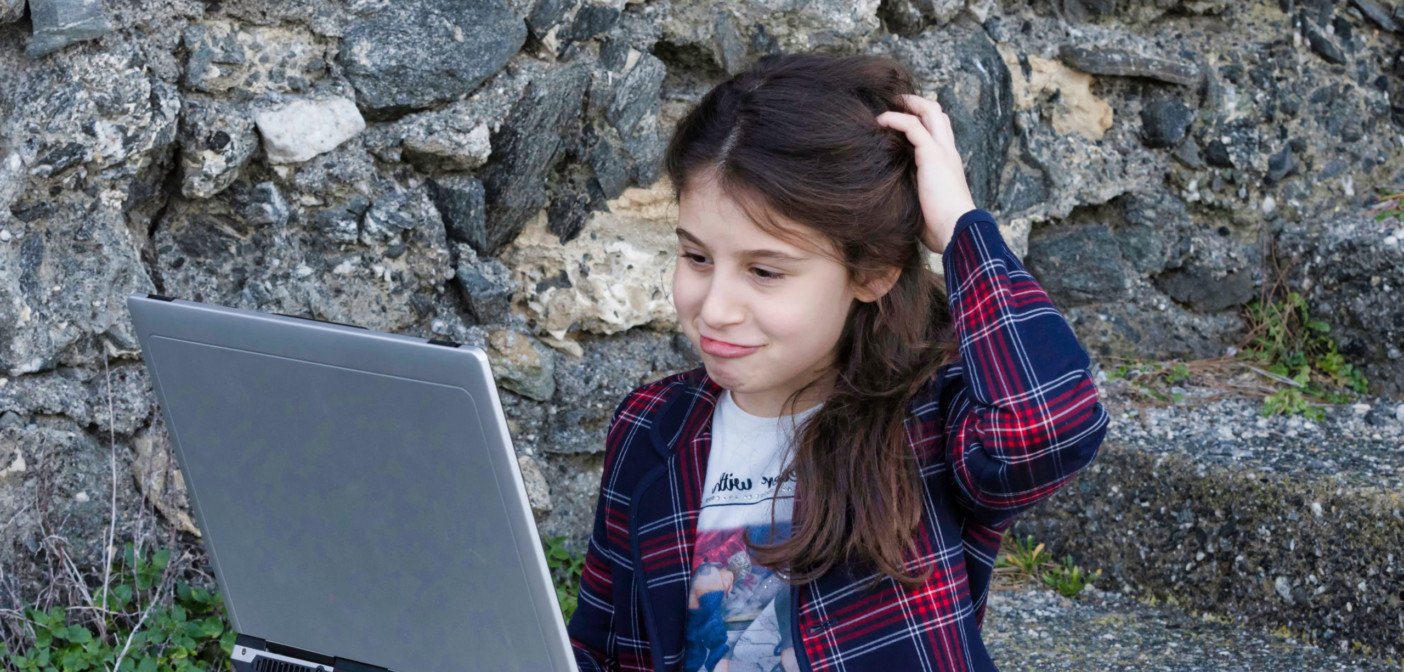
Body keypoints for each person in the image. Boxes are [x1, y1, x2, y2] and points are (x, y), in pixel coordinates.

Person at [566, 52, 1109, 672]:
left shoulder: (930, 422)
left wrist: (962, 228)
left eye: (764, 271)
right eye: (696, 258)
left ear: (873, 272)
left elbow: (1049, 425)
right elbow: (598, 644)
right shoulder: (648, 426)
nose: (714, 309)